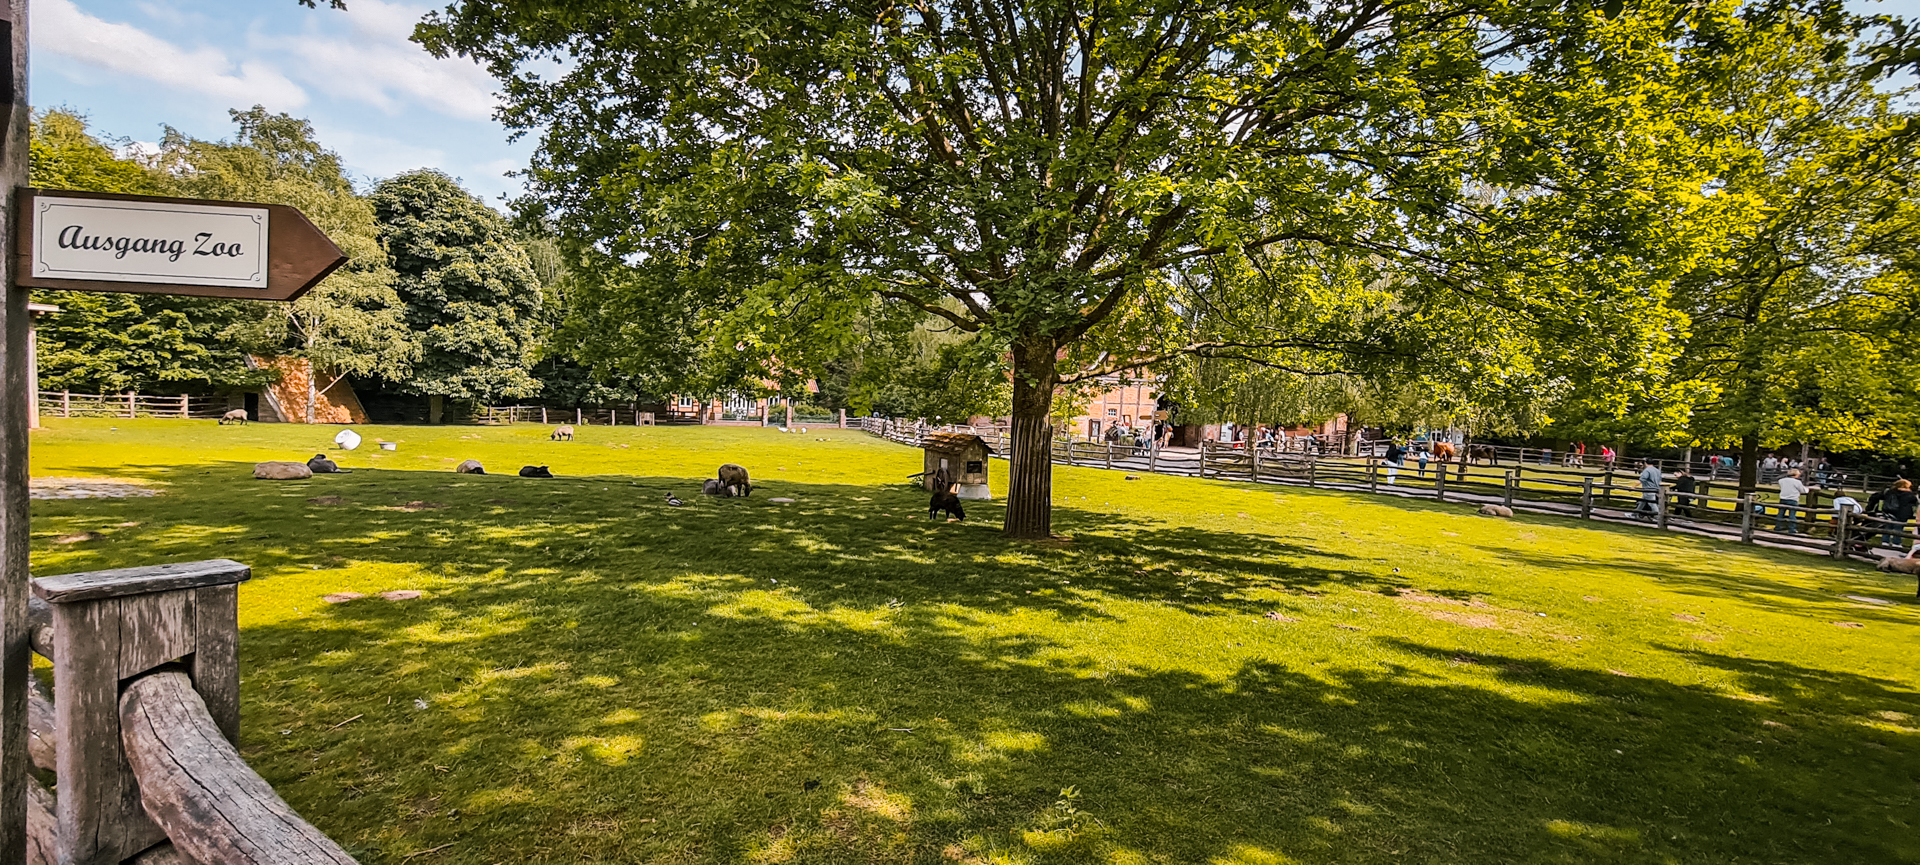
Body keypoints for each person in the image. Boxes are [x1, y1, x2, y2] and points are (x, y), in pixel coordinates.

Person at [1872, 479, 1918, 549]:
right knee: (1898, 529)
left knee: (1887, 527)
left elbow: (1876, 496)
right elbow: (1915, 502)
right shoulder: (1909, 495)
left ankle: (1885, 541)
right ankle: (1896, 542)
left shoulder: (1889, 492)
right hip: (1901, 514)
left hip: (1888, 512)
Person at [1776, 468, 1811, 534]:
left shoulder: (1782, 480)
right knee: (1792, 515)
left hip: (1783, 498)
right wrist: (1808, 489)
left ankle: (1778, 527)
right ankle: (1792, 529)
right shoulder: (1797, 482)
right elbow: (1803, 490)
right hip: (1793, 499)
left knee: (1780, 514)